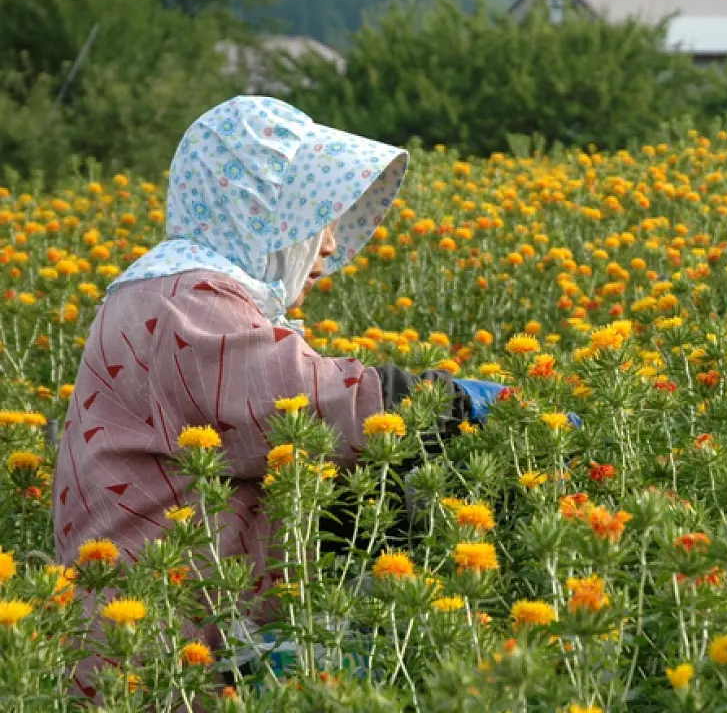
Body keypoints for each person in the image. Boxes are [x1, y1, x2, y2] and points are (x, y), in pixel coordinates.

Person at [52, 96, 504, 697]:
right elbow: (302, 405)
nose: (329, 245)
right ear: (260, 213)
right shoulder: (187, 302)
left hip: (181, 630)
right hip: (153, 649)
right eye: (317, 220)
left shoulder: (180, 291)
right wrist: (449, 402)